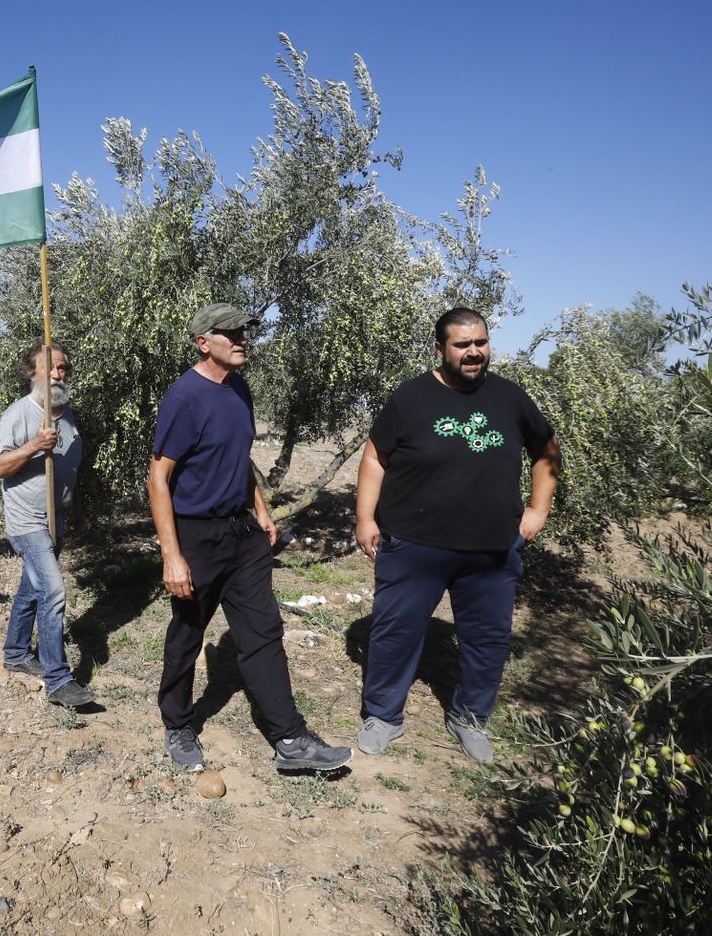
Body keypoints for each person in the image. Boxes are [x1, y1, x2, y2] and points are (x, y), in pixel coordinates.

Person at [149, 302, 353, 773]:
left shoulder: (238, 388)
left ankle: (290, 740)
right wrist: (172, 555)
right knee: (187, 634)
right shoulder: (184, 397)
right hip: (196, 536)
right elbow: (158, 477)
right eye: (230, 333)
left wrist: (261, 510)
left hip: (242, 533)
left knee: (262, 633)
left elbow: (238, 460)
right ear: (204, 343)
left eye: (245, 332)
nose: (242, 339)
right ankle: (178, 723)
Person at [354, 307, 561, 764]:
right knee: (395, 632)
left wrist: (538, 509)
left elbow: (546, 450)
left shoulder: (510, 397)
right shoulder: (410, 398)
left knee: (488, 639)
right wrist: (365, 518)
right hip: (413, 543)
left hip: (490, 547)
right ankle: (383, 716)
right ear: (441, 348)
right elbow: (375, 457)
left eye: (481, 343)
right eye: (463, 345)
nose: (474, 353)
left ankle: (470, 718)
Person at [0, 342, 93, 709]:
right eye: (49, 367)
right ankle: (58, 679)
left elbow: (72, 470)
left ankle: (16, 653)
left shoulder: (67, 415)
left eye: (63, 368)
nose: (57, 373)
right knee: (53, 592)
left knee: (33, 590)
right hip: (27, 522)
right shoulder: (19, 415)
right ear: (31, 373)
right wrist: (35, 444)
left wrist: (76, 507)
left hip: (56, 519)